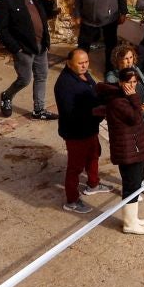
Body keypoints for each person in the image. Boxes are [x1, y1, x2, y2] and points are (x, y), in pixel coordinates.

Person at [52, 49, 112, 214]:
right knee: (75, 167)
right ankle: (71, 200)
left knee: (94, 155)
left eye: (86, 62)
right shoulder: (65, 85)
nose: (84, 65)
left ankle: (93, 184)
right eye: (80, 63)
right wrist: (96, 112)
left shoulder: (84, 75)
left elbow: (94, 92)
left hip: (90, 129)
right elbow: (71, 113)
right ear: (69, 63)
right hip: (76, 133)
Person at [0, 0, 57, 120]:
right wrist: (16, 48)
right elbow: (1, 30)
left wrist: (49, 0)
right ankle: (7, 96)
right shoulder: (5, 2)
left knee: (42, 76)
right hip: (24, 49)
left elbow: (47, 15)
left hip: (41, 45)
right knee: (25, 79)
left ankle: (39, 110)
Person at [95, 72, 144, 235]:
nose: (132, 85)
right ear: (120, 82)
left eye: (134, 82)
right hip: (127, 151)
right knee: (131, 187)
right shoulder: (118, 101)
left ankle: (133, 219)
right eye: (129, 82)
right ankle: (129, 223)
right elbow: (135, 117)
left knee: (134, 186)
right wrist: (135, 98)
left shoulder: (125, 97)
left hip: (134, 148)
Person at [105, 42, 144, 196]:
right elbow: (120, 103)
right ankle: (131, 189)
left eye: (130, 58)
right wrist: (138, 107)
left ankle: (143, 182)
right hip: (127, 125)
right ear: (117, 61)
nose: (128, 62)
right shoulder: (113, 78)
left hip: (142, 120)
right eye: (124, 59)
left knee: (141, 153)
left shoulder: (136, 71)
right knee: (129, 158)